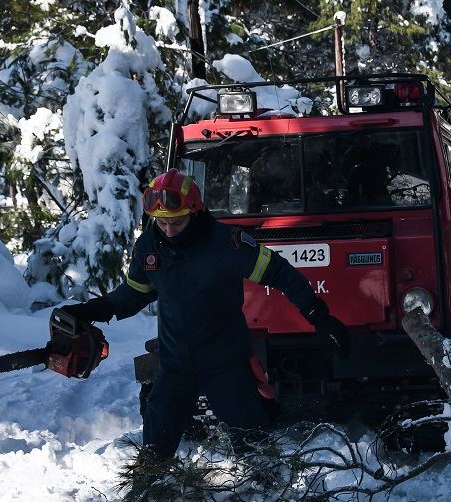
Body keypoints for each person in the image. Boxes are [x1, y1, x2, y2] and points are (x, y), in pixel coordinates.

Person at [61, 169, 349, 461]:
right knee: (155, 447)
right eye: (161, 222)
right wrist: (94, 310)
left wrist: (319, 316)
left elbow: (280, 273)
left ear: (196, 213)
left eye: (177, 222)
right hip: (175, 364)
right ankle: (149, 498)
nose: (169, 230)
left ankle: (265, 493)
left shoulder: (228, 243)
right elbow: (136, 292)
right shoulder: (148, 245)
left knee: (253, 446)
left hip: (226, 364)